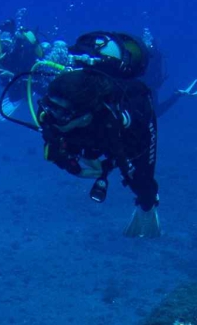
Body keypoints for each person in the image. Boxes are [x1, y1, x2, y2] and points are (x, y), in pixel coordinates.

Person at [28, 31, 163, 238]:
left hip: (125, 129)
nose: (53, 116)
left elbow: (138, 159)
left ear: (83, 116)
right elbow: (52, 138)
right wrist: (69, 164)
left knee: (143, 182)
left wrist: (146, 200)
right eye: (49, 108)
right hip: (93, 125)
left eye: (62, 114)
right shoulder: (54, 108)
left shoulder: (122, 114)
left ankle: (148, 207)